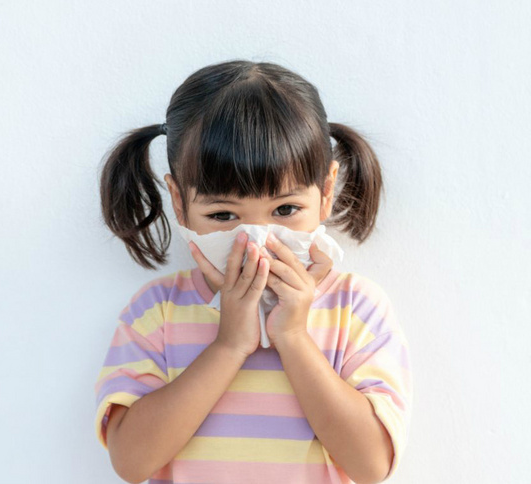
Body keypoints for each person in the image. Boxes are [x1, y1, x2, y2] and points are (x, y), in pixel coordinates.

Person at [93, 59, 412, 484]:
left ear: (327, 190)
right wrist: (228, 346)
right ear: (178, 200)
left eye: (285, 210)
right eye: (224, 214)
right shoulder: (156, 312)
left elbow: (372, 465)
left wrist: (294, 338)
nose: (257, 239)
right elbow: (130, 462)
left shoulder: (355, 308)